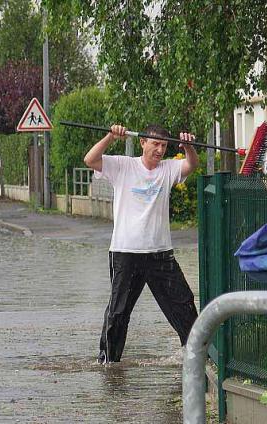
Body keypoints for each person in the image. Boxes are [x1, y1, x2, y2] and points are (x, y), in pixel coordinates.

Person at [83, 124, 200, 364]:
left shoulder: (168, 169)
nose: (160, 150)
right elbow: (90, 159)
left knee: (184, 304)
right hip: (126, 253)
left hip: (160, 254)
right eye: (155, 144)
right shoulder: (123, 165)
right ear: (142, 143)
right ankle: (108, 363)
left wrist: (188, 147)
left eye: (164, 146)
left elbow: (191, 165)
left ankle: (197, 356)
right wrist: (110, 136)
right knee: (118, 311)